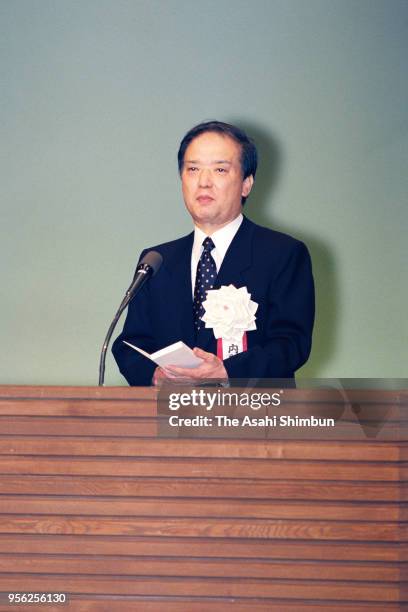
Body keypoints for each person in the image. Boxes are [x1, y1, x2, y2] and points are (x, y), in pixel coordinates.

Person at [112, 121, 314, 386]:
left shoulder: (283, 253)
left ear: (246, 184)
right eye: (193, 169)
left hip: (253, 418)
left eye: (220, 169)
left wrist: (226, 371)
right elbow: (130, 343)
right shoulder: (157, 260)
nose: (204, 182)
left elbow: (292, 344)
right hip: (172, 419)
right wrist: (154, 374)